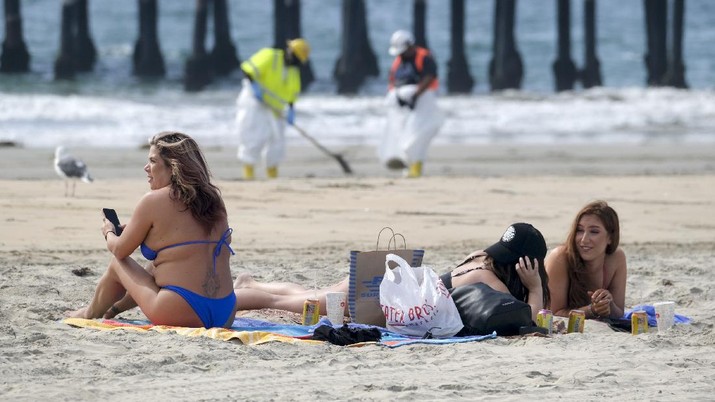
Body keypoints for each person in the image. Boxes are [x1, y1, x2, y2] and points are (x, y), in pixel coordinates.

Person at [67, 132, 238, 329]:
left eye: (153, 161)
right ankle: (112, 310)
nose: (146, 168)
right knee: (156, 267)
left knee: (118, 264)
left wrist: (109, 232)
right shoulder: (214, 199)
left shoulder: (152, 200)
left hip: (181, 309)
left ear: (173, 167)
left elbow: (119, 250)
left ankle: (88, 313)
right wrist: (135, 230)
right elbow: (184, 242)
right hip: (225, 312)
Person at [234, 223, 550, 323]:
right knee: (288, 302)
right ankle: (236, 298)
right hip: (383, 298)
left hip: (388, 284)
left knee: (310, 294)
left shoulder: (479, 258)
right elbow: (525, 317)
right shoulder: (490, 280)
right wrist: (534, 287)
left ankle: (251, 283)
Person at [235, 38, 311, 180]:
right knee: (253, 136)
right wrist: (255, 88)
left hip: (275, 107)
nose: (296, 63)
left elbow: (292, 94)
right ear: (290, 51)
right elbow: (247, 70)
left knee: (277, 140)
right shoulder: (270, 55)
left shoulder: (293, 71)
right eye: (296, 58)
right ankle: (248, 174)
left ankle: (272, 174)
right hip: (255, 101)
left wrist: (291, 109)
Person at [378, 29, 444, 178]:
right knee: (401, 133)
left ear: (409, 45)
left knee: (417, 136)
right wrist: (399, 99)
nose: (401, 54)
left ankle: (415, 166)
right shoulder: (398, 61)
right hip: (404, 102)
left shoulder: (424, 57)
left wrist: (415, 96)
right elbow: (393, 81)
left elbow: (429, 77)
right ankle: (404, 163)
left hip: (425, 101)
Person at [545, 200, 627, 319]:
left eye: (594, 231)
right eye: (579, 230)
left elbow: (619, 312)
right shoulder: (560, 258)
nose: (584, 239)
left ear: (610, 237)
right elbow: (554, 313)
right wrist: (592, 310)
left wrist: (608, 304)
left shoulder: (616, 258)